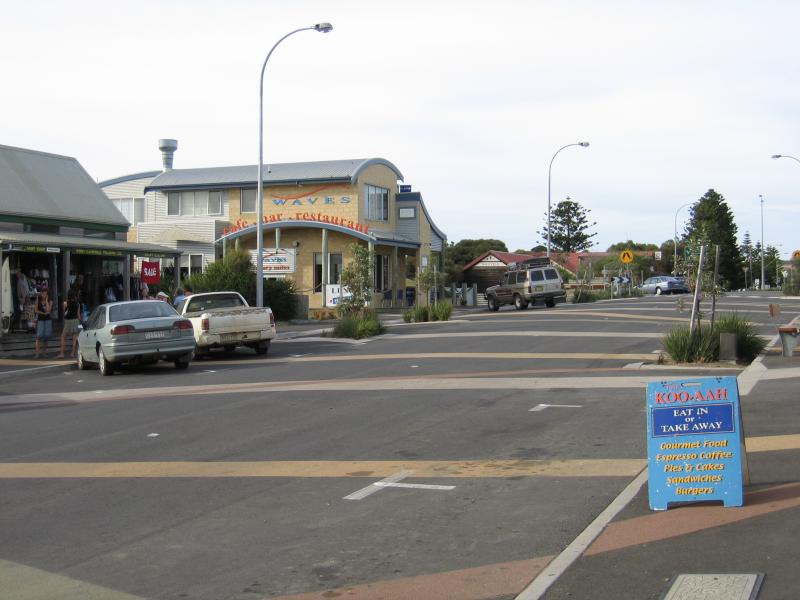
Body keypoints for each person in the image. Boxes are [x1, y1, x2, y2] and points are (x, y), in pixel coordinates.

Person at [58, 290, 80, 359]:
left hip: (68, 321)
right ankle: (72, 353)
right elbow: (78, 314)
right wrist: (80, 322)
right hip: (76, 321)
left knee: (63, 336)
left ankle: (62, 353)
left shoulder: (65, 303)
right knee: (74, 337)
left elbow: (64, 311)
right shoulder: (77, 304)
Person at [34, 289, 53, 358]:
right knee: (39, 336)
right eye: (43, 294)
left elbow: (48, 310)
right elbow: (36, 310)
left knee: (46, 337)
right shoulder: (38, 300)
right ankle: (37, 353)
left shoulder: (50, 301)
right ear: (41, 294)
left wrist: (47, 301)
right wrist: (43, 313)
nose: (44, 295)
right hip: (40, 319)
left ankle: (44, 352)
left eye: (46, 294)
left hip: (48, 320)